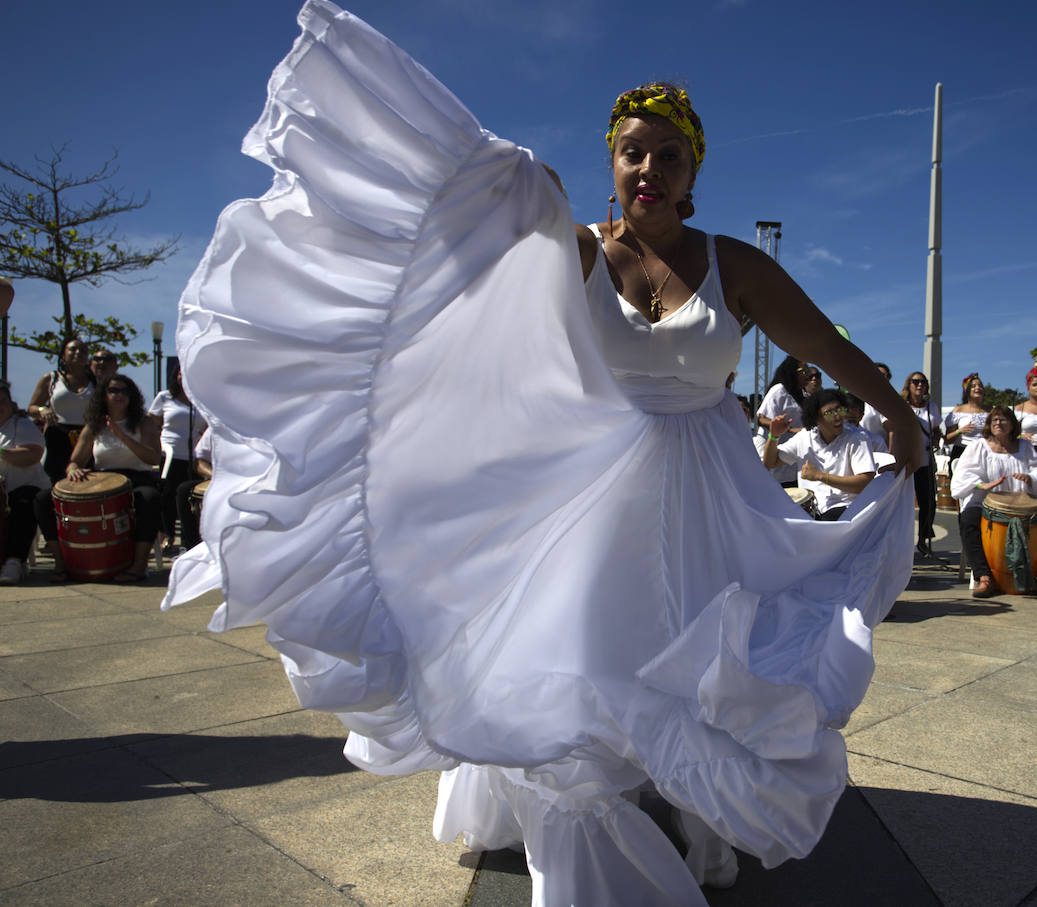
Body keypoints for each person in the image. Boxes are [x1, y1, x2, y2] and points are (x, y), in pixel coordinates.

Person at [164, 13, 921, 905]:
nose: (649, 168)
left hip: (710, 485)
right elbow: (474, 272)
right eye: (633, 153)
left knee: (703, 647)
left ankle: (692, 798)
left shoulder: (735, 264)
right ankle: (589, 801)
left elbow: (823, 343)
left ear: (694, 174)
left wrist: (895, 411)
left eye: (669, 156)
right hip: (600, 480)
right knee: (596, 646)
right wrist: (517, 194)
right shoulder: (580, 248)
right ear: (614, 162)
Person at [36, 376, 162, 582]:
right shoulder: (95, 424)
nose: (120, 395)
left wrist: (121, 436)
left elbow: (153, 458)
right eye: (114, 390)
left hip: (136, 478)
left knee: (150, 498)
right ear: (104, 395)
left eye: (125, 391)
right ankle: (61, 563)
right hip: (103, 480)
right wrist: (73, 469)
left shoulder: (143, 422)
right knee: (43, 499)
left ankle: (139, 565)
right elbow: (74, 461)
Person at [949, 406, 1037, 599]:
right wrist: (982, 485)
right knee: (968, 520)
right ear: (989, 424)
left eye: (1003, 419)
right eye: (994, 420)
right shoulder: (978, 446)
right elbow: (962, 476)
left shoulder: (1025, 447)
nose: (998, 423)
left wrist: (1030, 479)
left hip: (1020, 505)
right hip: (984, 503)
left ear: (1012, 425)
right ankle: (984, 577)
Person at [764, 389, 878, 521]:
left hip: (845, 510)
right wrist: (774, 436)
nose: (837, 416)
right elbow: (770, 463)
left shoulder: (857, 437)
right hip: (811, 511)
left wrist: (821, 476)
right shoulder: (805, 436)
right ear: (816, 418)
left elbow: (864, 482)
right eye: (829, 413)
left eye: (840, 410)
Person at [148, 365, 205, 554]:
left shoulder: (200, 400)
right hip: (170, 454)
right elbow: (152, 422)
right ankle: (168, 535)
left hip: (194, 457)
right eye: (180, 373)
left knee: (189, 497)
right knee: (168, 495)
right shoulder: (165, 397)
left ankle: (191, 539)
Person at [28, 337, 94, 486]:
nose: (78, 353)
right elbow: (32, 408)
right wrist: (43, 410)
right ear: (63, 355)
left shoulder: (95, 381)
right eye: (73, 349)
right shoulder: (51, 379)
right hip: (56, 436)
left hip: (87, 436)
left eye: (83, 351)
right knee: (55, 479)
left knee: (85, 480)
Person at [0, 380, 48, 585]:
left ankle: (15, 561)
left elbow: (32, 454)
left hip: (22, 488)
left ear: (11, 404)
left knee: (25, 502)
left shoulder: (22, 425)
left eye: (2, 401)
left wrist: (1, 452)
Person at [902, 370, 941, 556]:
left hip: (925, 459)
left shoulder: (931, 407)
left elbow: (936, 429)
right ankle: (903, 540)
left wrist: (936, 439)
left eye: (923, 382)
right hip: (907, 460)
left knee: (928, 502)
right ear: (908, 384)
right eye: (916, 381)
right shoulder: (902, 405)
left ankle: (923, 539)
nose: (920, 385)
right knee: (905, 503)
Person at [755, 356, 809, 485]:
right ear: (792, 372)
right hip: (775, 463)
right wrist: (789, 429)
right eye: (804, 371)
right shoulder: (779, 390)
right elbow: (761, 418)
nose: (808, 374)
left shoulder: (803, 395)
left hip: (793, 466)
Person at [943, 373, 990, 461]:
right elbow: (946, 439)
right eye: (973, 386)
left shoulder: (991, 411)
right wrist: (960, 431)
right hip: (962, 453)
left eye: (980, 385)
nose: (977, 388)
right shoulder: (958, 411)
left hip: (985, 453)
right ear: (967, 390)